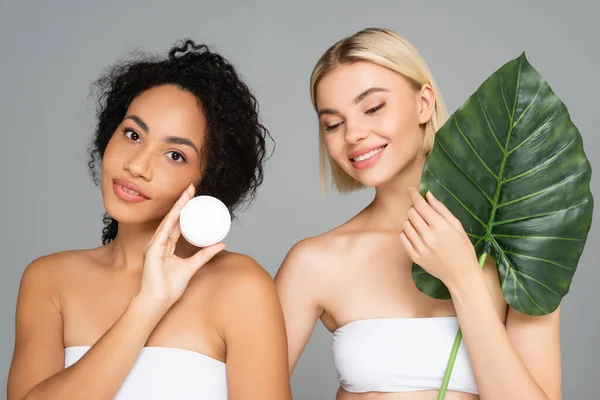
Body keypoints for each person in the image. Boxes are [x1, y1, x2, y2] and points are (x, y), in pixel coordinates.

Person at [275, 28, 561, 400]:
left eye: (374, 107)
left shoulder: (515, 244)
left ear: (424, 102)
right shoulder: (313, 262)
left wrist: (464, 280)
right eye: (333, 123)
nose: (354, 134)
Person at [8, 39, 292, 400]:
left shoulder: (241, 287)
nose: (137, 165)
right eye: (132, 134)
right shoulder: (49, 281)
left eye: (174, 155)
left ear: (208, 180)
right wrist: (147, 305)